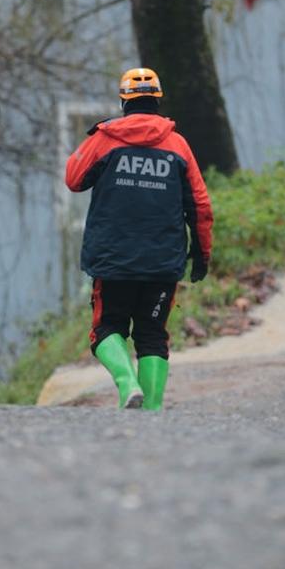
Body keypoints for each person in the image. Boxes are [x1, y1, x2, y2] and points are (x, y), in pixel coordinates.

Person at [65, 67, 213, 410]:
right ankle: (152, 412)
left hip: (113, 260)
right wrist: (201, 254)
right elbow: (200, 205)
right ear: (157, 101)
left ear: (123, 102)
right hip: (162, 263)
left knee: (106, 328)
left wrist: (96, 140)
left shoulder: (104, 141)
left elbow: (73, 178)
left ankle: (126, 382)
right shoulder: (178, 146)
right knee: (152, 335)